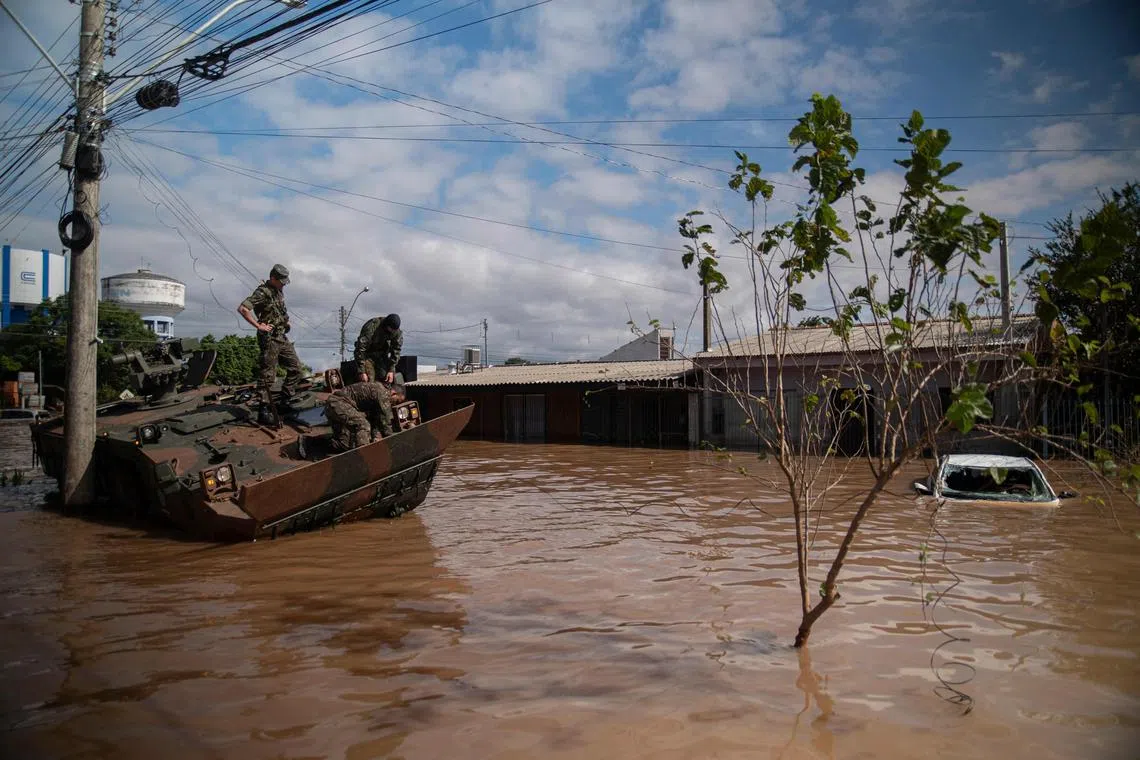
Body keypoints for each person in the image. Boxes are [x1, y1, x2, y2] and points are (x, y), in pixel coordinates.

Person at [237, 263, 305, 405]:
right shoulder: (262, 292)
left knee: (296, 369)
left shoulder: (278, 292)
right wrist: (258, 325)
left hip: (281, 336)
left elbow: (279, 311)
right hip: (269, 338)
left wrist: (286, 322)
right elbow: (243, 308)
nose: (283, 285)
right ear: (273, 278)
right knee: (268, 376)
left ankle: (286, 397)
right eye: (281, 282)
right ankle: (265, 408)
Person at [324, 381, 400, 451]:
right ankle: (365, 454)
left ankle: (328, 444)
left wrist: (375, 437)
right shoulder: (383, 393)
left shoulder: (377, 396)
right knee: (362, 424)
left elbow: (375, 420)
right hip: (338, 402)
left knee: (347, 443)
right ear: (394, 393)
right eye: (396, 401)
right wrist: (391, 442)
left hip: (334, 404)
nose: (394, 404)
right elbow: (385, 421)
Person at [354, 313, 403, 383]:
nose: (392, 332)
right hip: (367, 356)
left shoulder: (396, 332)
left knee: (386, 378)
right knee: (369, 379)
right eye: (391, 329)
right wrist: (362, 371)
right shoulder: (372, 327)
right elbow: (360, 349)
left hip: (381, 356)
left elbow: (396, 350)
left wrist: (391, 370)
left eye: (394, 330)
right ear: (387, 325)